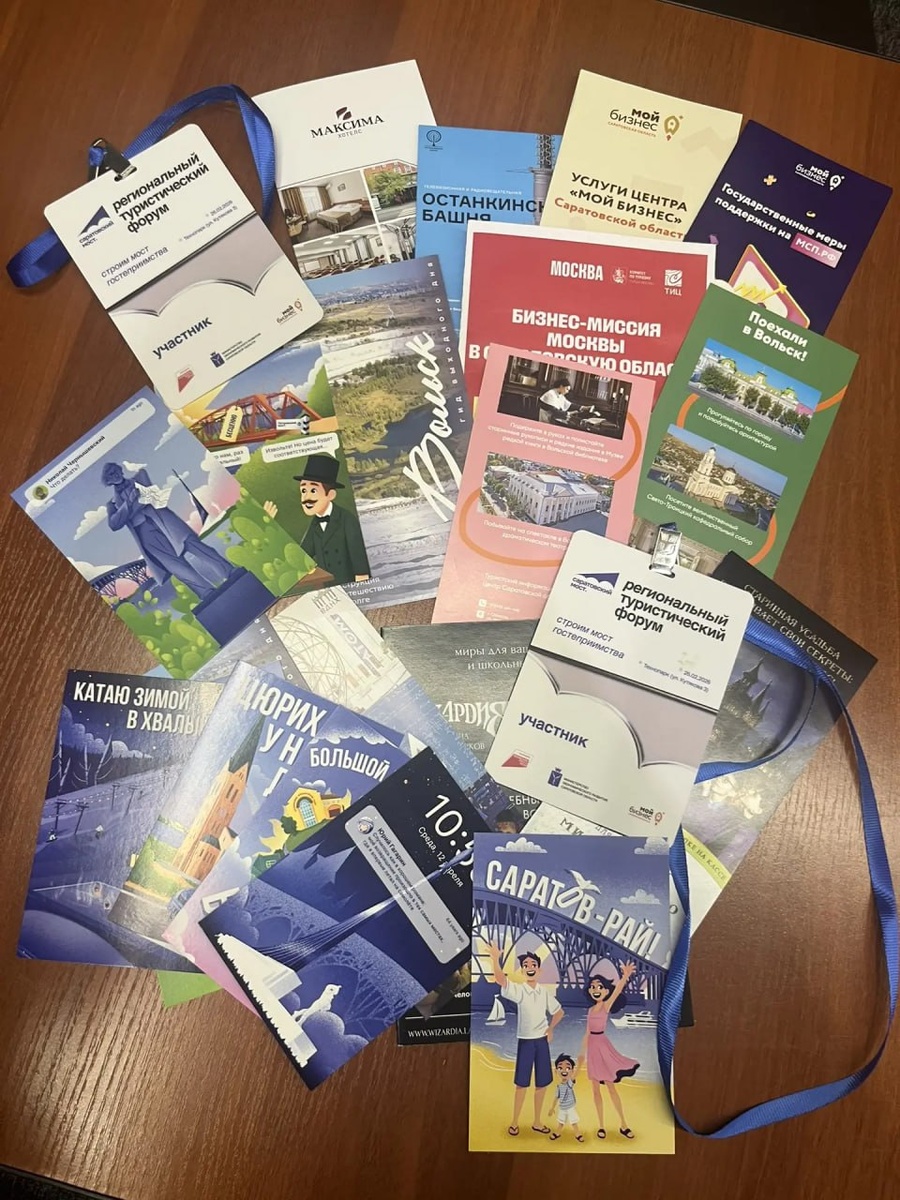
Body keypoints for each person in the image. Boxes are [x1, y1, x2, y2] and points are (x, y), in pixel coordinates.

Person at [101, 461, 234, 600]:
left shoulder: (140, 477)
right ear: (108, 481)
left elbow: (146, 500)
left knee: (196, 546)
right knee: (177, 567)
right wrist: (129, 503)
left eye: (116, 471)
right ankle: (207, 593)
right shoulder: (112, 504)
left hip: (165, 521)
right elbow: (114, 524)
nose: (115, 475)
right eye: (111, 475)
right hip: (145, 536)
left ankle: (229, 571)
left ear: (121, 470)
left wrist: (126, 513)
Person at [488, 944, 564, 1138]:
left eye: (533, 965)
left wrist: (550, 1029)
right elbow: (501, 980)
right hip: (526, 1042)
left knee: (542, 1084)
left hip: (541, 1042)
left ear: (539, 969)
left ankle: (537, 1122)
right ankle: (514, 1122)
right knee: (521, 1084)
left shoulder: (544, 992)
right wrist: (495, 959)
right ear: (522, 970)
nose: (529, 967)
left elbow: (559, 1012)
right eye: (525, 965)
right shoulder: (519, 990)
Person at [264, 454, 370, 585]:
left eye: (313, 490)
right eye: (303, 490)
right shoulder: (315, 524)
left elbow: (359, 560)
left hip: (351, 585)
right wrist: (268, 526)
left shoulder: (347, 520)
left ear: (330, 494)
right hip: (330, 587)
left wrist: (361, 586)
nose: (306, 497)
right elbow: (300, 558)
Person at [578, 965, 639, 1141]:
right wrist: (581, 1055)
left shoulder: (605, 1005)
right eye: (592, 987)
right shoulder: (590, 1010)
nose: (595, 990)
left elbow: (617, 990)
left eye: (599, 987)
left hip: (603, 1047)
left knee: (611, 1088)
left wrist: (625, 976)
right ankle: (601, 1126)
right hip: (592, 1049)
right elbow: (586, 1033)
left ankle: (623, 1124)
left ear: (605, 990)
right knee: (595, 1090)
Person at [548, 1054, 585, 1142]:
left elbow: (575, 1075)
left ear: (572, 1071)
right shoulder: (559, 1086)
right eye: (560, 1068)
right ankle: (558, 1133)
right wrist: (552, 1108)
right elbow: (556, 1097)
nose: (564, 1071)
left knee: (573, 1122)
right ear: (556, 1071)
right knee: (561, 1122)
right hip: (562, 1107)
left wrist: (580, 1064)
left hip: (570, 1107)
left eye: (568, 1068)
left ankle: (578, 1134)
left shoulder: (569, 1083)